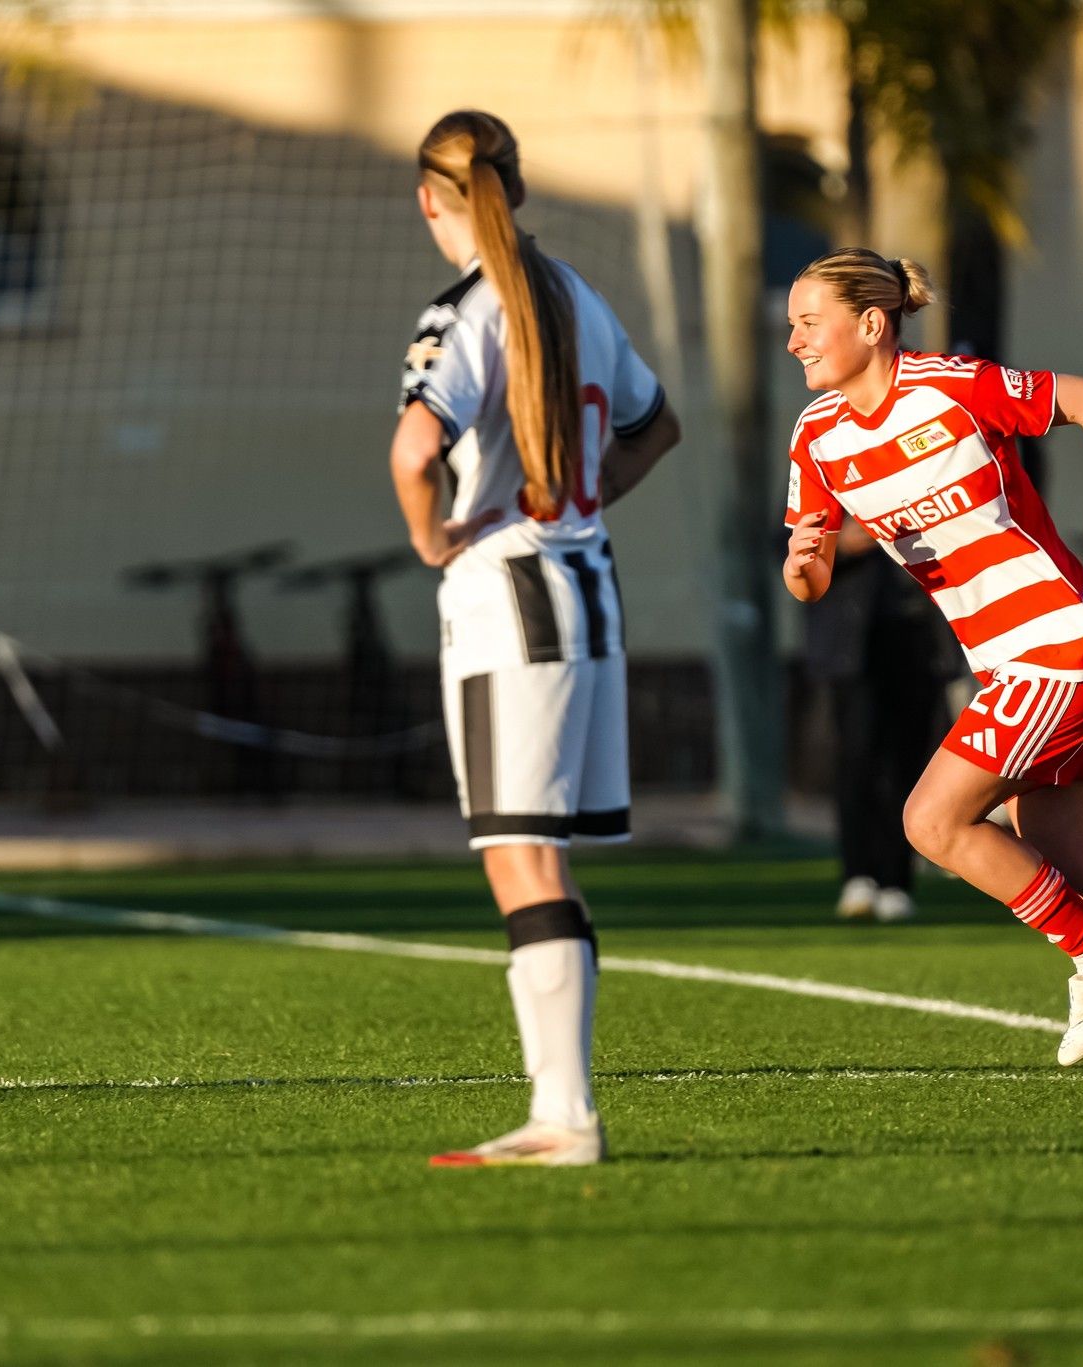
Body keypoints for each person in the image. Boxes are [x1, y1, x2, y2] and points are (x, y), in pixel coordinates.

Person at [780, 247, 1083, 1089]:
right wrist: (803, 560)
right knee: (1063, 856)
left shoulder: (948, 383)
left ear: (871, 323)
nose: (794, 340)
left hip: (1063, 641)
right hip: (1014, 662)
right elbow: (813, 580)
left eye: (806, 321)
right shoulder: (817, 438)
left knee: (930, 823)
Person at [388, 111, 681, 1167]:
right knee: (536, 857)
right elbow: (658, 424)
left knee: (519, 857)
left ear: (433, 198)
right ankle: (561, 1107)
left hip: (509, 597)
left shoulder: (469, 307)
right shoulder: (577, 296)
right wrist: (587, 498)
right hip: (586, 589)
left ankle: (564, 1115)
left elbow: (414, 449)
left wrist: (433, 541)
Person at [805, 518, 951, 923]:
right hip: (854, 651)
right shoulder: (827, 474)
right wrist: (846, 541)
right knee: (857, 764)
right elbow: (784, 544)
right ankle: (857, 876)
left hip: (918, 645)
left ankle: (897, 882)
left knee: (908, 769)